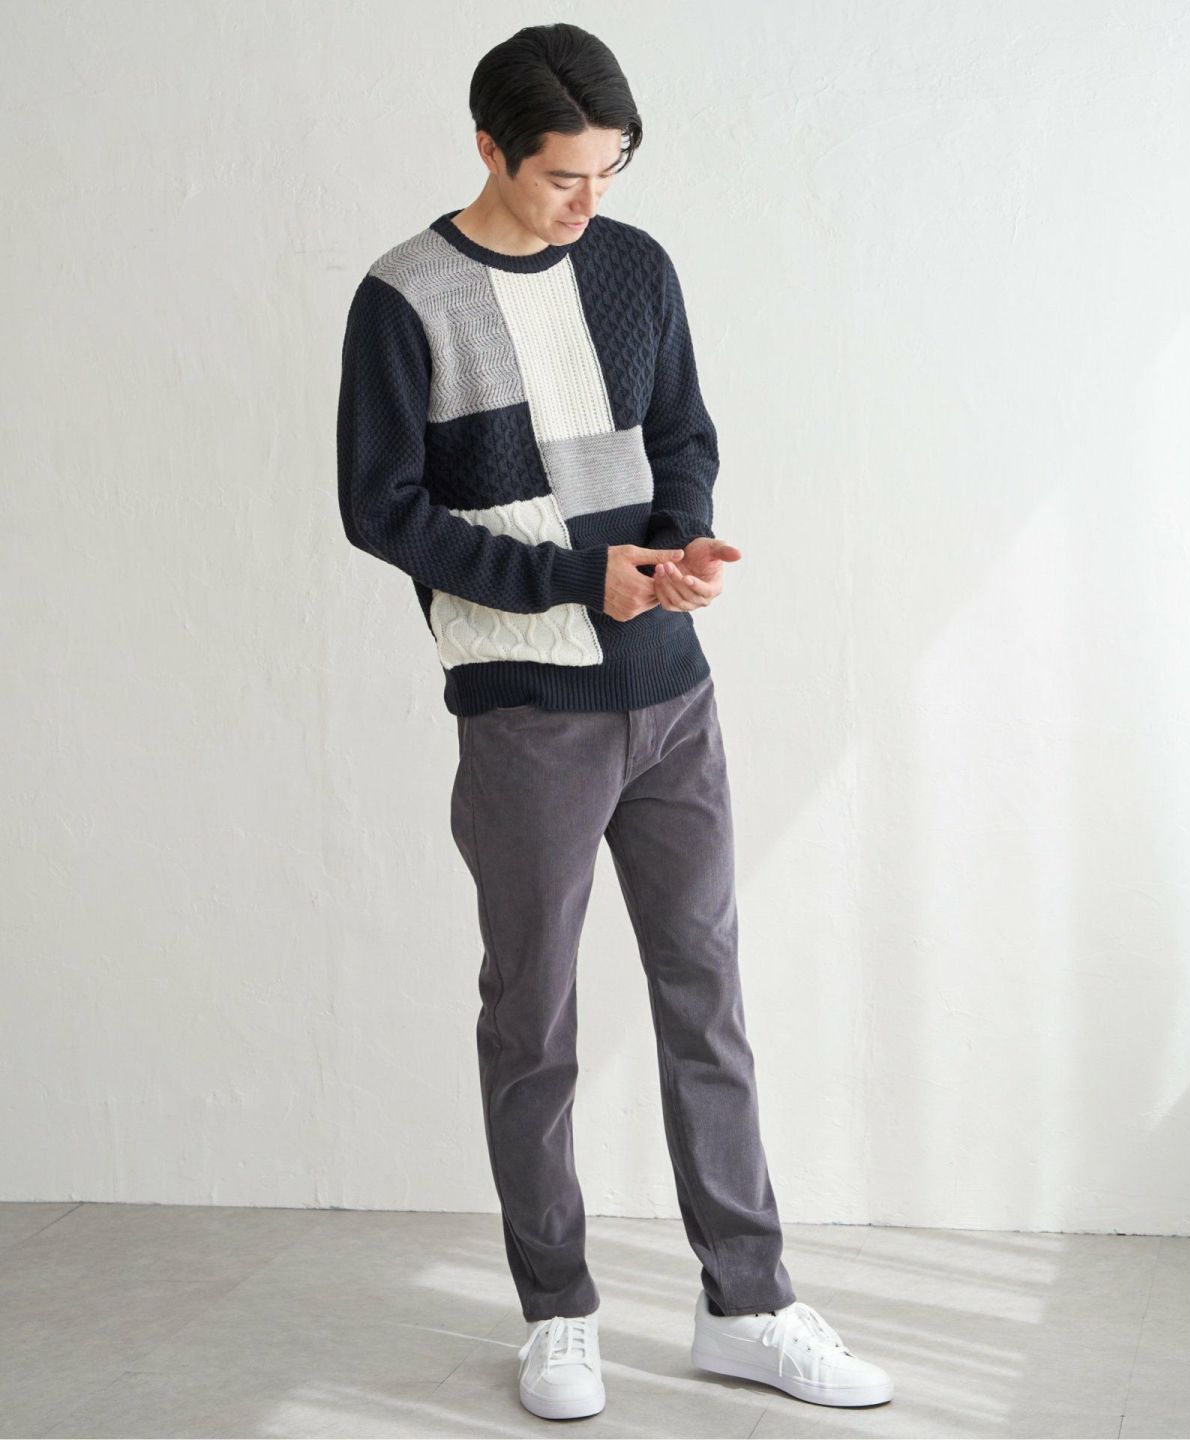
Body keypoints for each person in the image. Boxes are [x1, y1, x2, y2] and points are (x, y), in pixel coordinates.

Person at [336, 20, 894, 1421]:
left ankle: (747, 1305)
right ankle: (557, 1313)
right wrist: (575, 580)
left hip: (670, 695)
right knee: (533, 1019)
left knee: (708, 998)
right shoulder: (404, 299)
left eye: (611, 171)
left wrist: (684, 544)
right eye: (562, 176)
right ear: (488, 148)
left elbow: (683, 435)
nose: (590, 201)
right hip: (527, 709)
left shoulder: (636, 266)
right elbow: (381, 510)